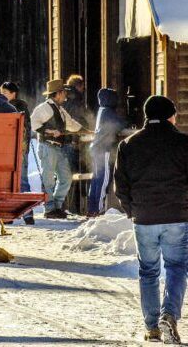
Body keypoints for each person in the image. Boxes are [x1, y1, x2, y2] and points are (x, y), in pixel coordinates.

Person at [114, 95, 188, 344]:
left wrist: (132, 210)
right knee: (177, 267)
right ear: (170, 115)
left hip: (144, 217)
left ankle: (152, 327)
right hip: (177, 215)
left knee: (148, 271)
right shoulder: (183, 143)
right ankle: (169, 315)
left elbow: (120, 185)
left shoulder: (128, 144)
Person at [31, 78, 83, 219]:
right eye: (64, 92)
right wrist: (50, 131)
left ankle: (57, 206)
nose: (66, 94)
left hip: (58, 148)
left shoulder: (59, 108)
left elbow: (71, 124)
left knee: (66, 177)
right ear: (58, 93)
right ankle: (49, 209)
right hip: (47, 147)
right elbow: (34, 124)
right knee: (48, 180)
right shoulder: (44, 108)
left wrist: (84, 130)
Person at [88, 87, 125, 217]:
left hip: (96, 149)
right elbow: (120, 125)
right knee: (103, 180)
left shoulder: (102, 110)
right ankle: (98, 210)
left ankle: (92, 208)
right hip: (104, 149)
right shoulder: (109, 112)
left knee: (96, 180)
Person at [1, 81, 34, 225]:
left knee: (21, 181)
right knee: (19, 181)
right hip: (19, 147)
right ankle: (24, 214)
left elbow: (25, 128)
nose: (2, 95)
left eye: (5, 93)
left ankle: (24, 213)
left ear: (13, 93)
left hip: (18, 147)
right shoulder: (20, 106)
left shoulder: (18, 106)